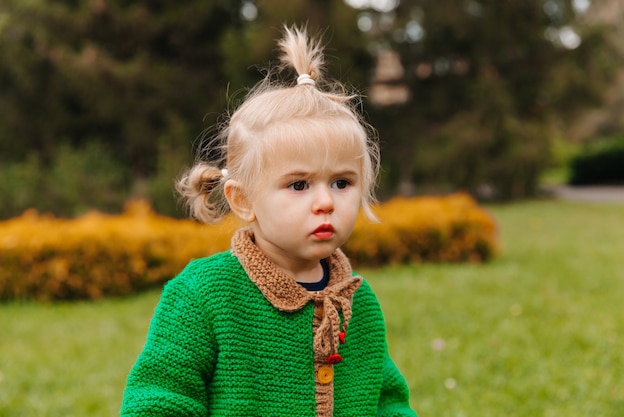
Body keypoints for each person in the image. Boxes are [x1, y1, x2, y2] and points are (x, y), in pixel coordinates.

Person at [120, 25, 417, 417]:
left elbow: (387, 402)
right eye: (298, 185)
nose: (325, 201)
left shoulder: (357, 304)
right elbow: (160, 400)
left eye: (342, 182)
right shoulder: (204, 295)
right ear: (242, 200)